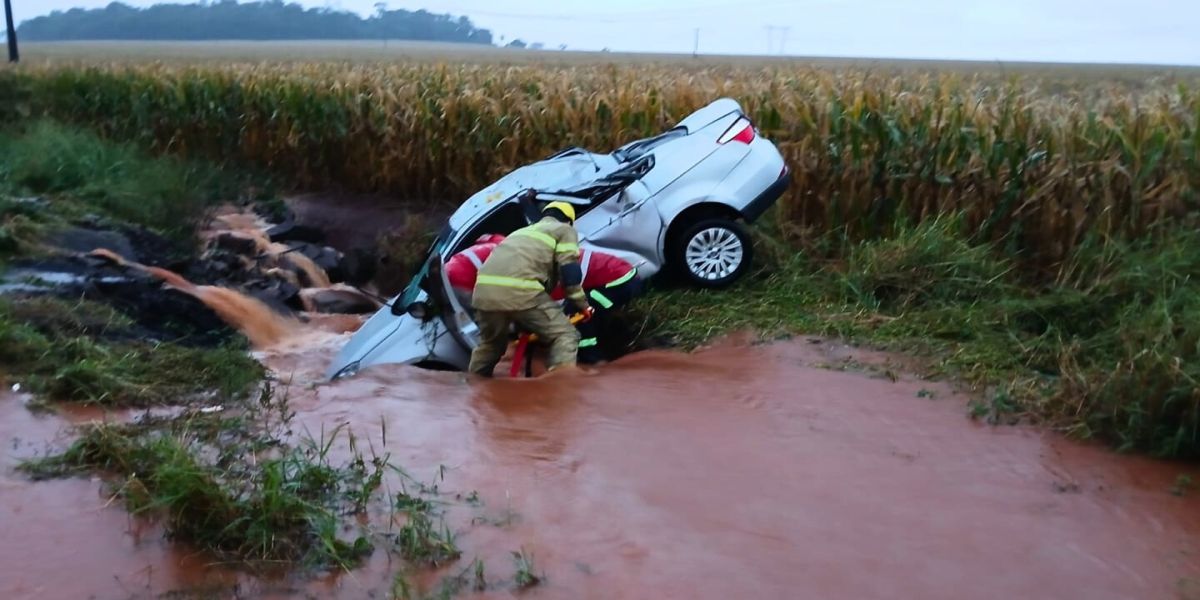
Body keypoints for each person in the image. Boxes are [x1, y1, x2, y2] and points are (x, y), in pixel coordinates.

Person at [468, 200, 592, 376]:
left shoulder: (520, 232)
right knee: (565, 335)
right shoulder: (565, 230)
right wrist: (583, 305)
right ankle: (562, 391)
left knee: (490, 346)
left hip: (483, 294)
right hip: (521, 292)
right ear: (569, 221)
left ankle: (472, 387)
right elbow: (569, 272)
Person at [550, 249, 641, 364]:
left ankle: (592, 359)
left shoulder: (556, 271)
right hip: (618, 281)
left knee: (578, 310)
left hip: (621, 284)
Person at [445, 233, 505, 308]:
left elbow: (481, 237)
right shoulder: (508, 254)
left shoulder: (497, 239)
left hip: (449, 268)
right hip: (462, 279)